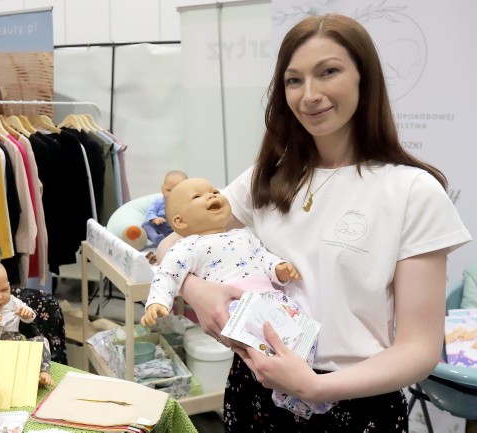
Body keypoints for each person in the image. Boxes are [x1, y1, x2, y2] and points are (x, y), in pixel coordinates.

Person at [157, 14, 472, 432]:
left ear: (365, 78)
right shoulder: (269, 177)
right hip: (255, 390)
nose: (310, 95)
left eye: (328, 72)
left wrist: (316, 388)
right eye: (294, 80)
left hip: (354, 404)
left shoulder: (412, 191)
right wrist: (197, 291)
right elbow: (169, 245)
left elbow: (419, 349)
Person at [141, 177, 334, 418]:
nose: (211, 196)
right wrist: (158, 301)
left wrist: (279, 268)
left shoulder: (245, 236)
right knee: (267, 354)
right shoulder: (187, 247)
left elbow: (263, 257)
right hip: (237, 307)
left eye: (213, 191)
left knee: (303, 336)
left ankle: (303, 387)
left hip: (272, 298)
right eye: (198, 197)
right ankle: (289, 394)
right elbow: (167, 274)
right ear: (180, 221)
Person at [141, 170, 187, 246]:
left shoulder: (185, 202)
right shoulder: (158, 201)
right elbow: (150, 212)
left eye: (176, 190)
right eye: (168, 190)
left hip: (175, 227)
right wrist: (155, 218)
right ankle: (156, 238)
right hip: (160, 224)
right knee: (146, 225)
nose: (172, 193)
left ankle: (178, 242)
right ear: (162, 189)